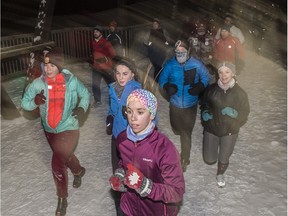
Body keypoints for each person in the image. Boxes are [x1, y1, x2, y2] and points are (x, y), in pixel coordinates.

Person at [21, 47, 90, 216]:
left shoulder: (71, 81)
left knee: (57, 162)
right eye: (46, 65)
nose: (48, 68)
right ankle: (78, 171)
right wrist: (35, 102)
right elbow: (24, 103)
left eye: (52, 65)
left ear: (59, 66)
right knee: (63, 156)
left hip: (69, 127)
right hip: (49, 129)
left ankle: (62, 199)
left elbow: (86, 95)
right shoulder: (38, 83)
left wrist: (81, 109)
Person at [109, 89, 185, 216]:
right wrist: (120, 175)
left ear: (151, 115)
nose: (133, 118)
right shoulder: (122, 139)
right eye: (129, 111)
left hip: (156, 211)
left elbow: (177, 191)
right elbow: (124, 163)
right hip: (128, 208)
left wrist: (145, 186)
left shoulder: (163, 148)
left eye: (140, 112)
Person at [158, 40, 210, 172]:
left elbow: (206, 76)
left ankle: (185, 159)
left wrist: (200, 86)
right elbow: (162, 79)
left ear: (188, 51)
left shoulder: (196, 64)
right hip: (175, 104)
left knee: (186, 133)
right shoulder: (170, 64)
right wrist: (167, 86)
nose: (180, 53)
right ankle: (179, 130)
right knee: (176, 129)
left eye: (183, 51)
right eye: (177, 51)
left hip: (190, 105)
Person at [200, 62, 250, 188]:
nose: (223, 75)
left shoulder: (240, 93)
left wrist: (235, 114)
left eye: (227, 72)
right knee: (209, 159)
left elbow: (245, 113)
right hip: (212, 128)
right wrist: (205, 112)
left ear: (233, 73)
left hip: (230, 130)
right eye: (220, 72)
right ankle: (213, 155)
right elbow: (204, 104)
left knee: (224, 157)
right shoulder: (211, 89)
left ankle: (220, 173)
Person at [106, 57, 141, 215]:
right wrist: (110, 117)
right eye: (118, 73)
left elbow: (152, 117)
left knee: (132, 175)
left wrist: (133, 117)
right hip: (116, 138)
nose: (121, 77)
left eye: (125, 73)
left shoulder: (138, 92)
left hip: (132, 140)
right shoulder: (112, 88)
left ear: (132, 74)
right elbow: (112, 110)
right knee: (118, 175)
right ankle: (120, 210)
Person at [91, 25, 116, 107]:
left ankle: (113, 100)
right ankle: (97, 101)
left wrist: (106, 60)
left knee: (111, 84)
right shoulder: (93, 42)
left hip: (106, 68)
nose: (95, 33)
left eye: (97, 31)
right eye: (94, 31)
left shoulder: (106, 43)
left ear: (101, 33)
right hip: (96, 67)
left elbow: (113, 54)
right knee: (95, 84)